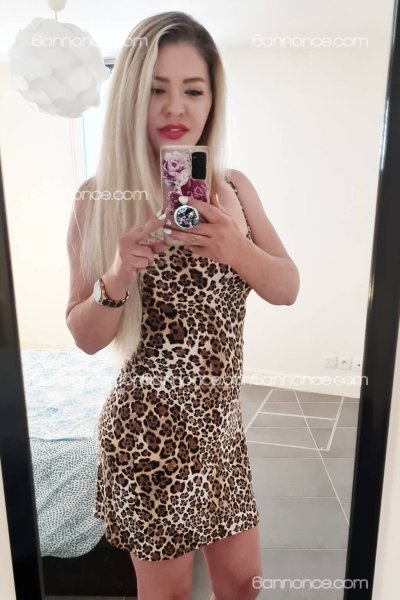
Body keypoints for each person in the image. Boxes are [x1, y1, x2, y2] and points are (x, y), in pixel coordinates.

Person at [66, 10, 299, 600]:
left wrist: (236, 248)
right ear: (130, 97)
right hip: (147, 438)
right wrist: (118, 273)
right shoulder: (97, 199)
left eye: (193, 90)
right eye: (156, 89)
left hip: (222, 433)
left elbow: (286, 287)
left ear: (213, 100)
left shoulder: (235, 188)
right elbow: (85, 336)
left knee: (244, 585)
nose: (176, 107)